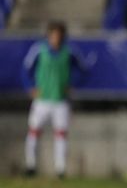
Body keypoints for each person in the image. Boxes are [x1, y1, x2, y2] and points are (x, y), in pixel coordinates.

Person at [23, 22, 83, 178]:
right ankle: (31, 166)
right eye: (53, 35)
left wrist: (72, 84)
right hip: (42, 100)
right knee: (34, 132)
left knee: (61, 134)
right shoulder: (38, 50)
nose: (56, 38)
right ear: (48, 35)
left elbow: (83, 70)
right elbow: (25, 70)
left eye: (58, 35)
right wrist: (31, 86)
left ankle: (60, 169)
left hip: (60, 100)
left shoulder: (69, 52)